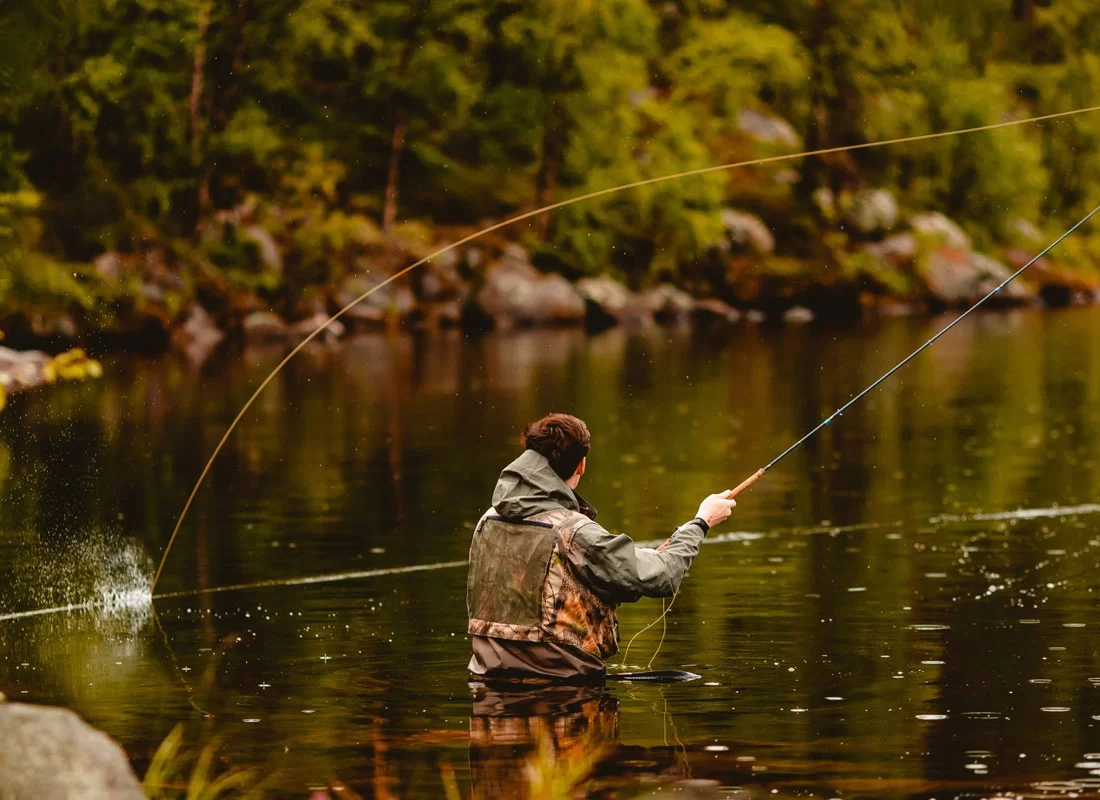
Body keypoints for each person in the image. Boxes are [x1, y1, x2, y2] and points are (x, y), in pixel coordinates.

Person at [467, 412, 737, 683]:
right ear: (581, 465)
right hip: (566, 694)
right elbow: (661, 577)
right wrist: (701, 522)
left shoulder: (487, 520)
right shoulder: (572, 530)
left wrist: (640, 557)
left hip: (487, 686)